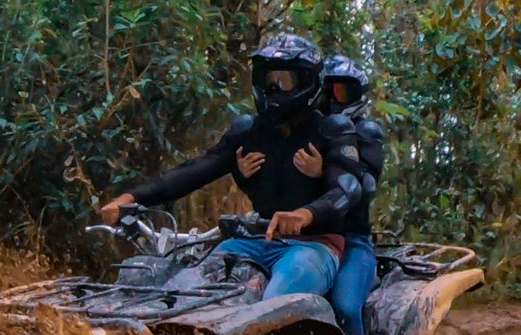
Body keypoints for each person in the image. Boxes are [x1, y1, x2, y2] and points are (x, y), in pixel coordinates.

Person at [101, 34, 363, 301]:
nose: (273, 90)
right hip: (252, 242)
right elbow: (196, 170)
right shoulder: (249, 131)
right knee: (182, 291)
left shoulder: (333, 129)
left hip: (313, 246)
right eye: (268, 80)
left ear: (308, 81)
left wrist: (305, 214)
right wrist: (132, 198)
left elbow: (348, 189)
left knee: (277, 303)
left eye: (284, 82)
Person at [239, 53, 384, 335]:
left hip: (352, 243)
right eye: (328, 91)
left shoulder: (365, 133)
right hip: (297, 240)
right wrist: (243, 173)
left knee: (346, 308)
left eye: (342, 93)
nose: (334, 100)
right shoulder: (305, 130)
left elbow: (366, 186)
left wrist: (324, 173)